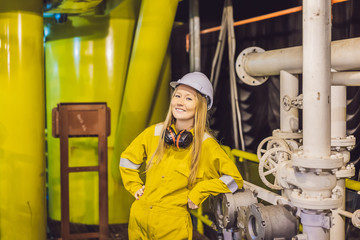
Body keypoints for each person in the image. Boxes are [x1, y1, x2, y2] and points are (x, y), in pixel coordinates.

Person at [119, 72, 243, 239]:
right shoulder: (155, 133)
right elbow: (127, 159)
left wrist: (199, 191)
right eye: (177, 95)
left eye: (188, 98)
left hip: (172, 224)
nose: (180, 102)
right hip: (138, 218)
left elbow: (235, 180)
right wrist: (134, 186)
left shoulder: (206, 145)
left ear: (201, 106)